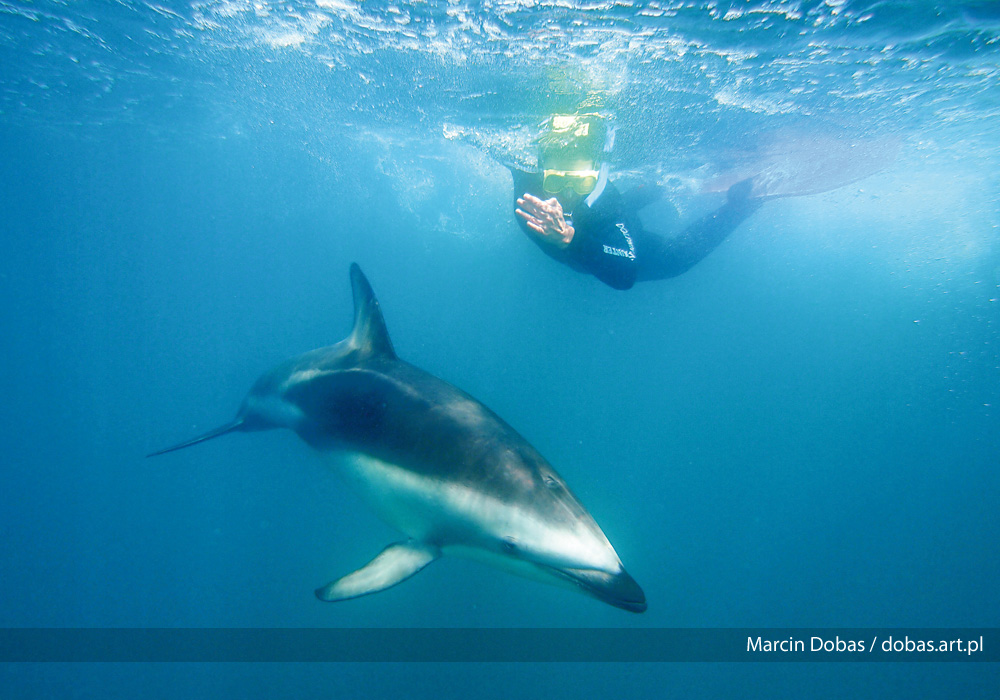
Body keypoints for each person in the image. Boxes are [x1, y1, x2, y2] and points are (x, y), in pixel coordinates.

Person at [512, 114, 762, 291]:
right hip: (594, 239)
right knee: (618, 208)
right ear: (542, 170)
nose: (567, 193)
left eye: (582, 183)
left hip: (610, 236)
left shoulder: (605, 202)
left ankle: (737, 207)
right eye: (555, 181)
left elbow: (626, 273)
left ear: (597, 175)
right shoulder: (527, 179)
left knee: (676, 259)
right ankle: (657, 190)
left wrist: (570, 238)